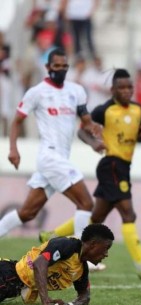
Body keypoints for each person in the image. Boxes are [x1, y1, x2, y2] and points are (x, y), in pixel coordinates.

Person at [39, 69, 141, 280]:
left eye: (129, 87)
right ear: (113, 90)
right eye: (122, 88)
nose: (126, 91)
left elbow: (137, 135)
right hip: (111, 165)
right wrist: (93, 143)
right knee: (128, 214)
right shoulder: (104, 110)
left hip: (124, 166)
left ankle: (52, 235)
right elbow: (82, 130)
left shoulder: (138, 109)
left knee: (96, 217)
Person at [0, 48, 102, 242]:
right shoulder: (37, 93)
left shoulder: (76, 91)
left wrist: (95, 132)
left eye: (64, 66)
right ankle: (80, 257)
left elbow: (86, 122)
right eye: (57, 66)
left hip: (61, 158)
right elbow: (17, 121)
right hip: (50, 157)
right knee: (86, 203)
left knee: (27, 212)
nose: (61, 70)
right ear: (48, 67)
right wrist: (13, 149)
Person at [0, 223, 114, 305]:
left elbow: (85, 297)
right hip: (7, 274)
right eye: (106, 248)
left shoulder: (81, 269)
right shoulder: (67, 245)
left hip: (14, 286)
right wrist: (45, 300)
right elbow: (39, 264)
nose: (106, 254)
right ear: (93, 244)